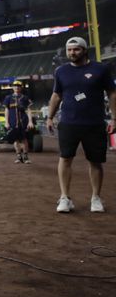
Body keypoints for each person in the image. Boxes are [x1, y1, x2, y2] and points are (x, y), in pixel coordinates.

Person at [46, 37, 116, 213]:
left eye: (76, 49)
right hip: (69, 123)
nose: (72, 53)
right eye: (69, 50)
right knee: (65, 159)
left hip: (94, 123)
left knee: (95, 161)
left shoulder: (101, 69)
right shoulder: (61, 71)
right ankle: (65, 197)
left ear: (84, 50)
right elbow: (56, 96)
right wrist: (50, 117)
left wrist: (114, 118)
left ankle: (96, 198)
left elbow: (112, 94)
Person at [3, 80, 34, 164]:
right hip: (13, 122)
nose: (17, 87)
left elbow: (29, 110)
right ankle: (19, 156)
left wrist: (30, 121)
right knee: (16, 140)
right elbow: (6, 110)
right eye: (15, 86)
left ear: (21, 87)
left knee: (24, 139)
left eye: (18, 86)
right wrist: (6, 122)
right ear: (12, 87)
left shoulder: (25, 98)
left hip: (23, 121)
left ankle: (26, 156)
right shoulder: (8, 98)